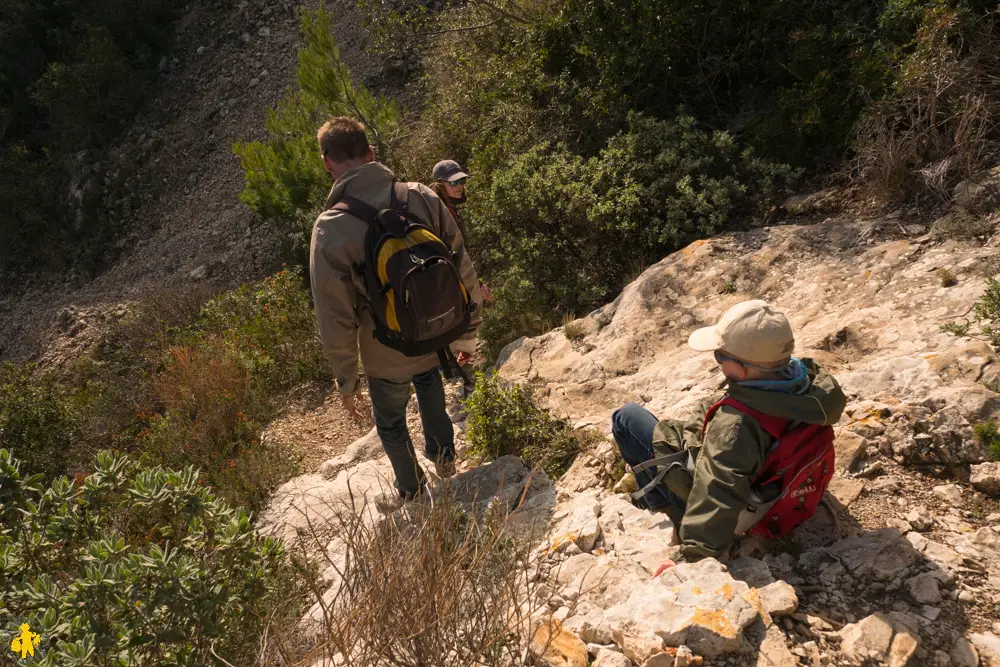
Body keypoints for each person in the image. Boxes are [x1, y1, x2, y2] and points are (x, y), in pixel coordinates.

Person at [310, 117, 484, 511]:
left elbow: (334, 315)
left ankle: (412, 490)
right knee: (430, 389)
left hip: (383, 347)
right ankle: (445, 460)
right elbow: (461, 265)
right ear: (371, 154)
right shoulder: (420, 195)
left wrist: (346, 380)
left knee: (389, 422)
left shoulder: (331, 228)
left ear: (326, 163)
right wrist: (467, 334)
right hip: (434, 331)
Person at [611, 300, 846, 567]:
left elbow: (718, 490)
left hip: (740, 508)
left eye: (720, 356)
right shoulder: (808, 386)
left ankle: (665, 508)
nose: (718, 362)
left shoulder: (735, 426)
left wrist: (693, 556)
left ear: (744, 367)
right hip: (773, 482)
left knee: (626, 418)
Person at [430, 159, 491, 398]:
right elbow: (454, 255)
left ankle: (465, 381)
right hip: (449, 284)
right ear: (440, 184)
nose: (460, 186)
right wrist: (475, 284)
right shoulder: (442, 213)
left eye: (462, 181)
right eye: (454, 182)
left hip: (449, 282)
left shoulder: (445, 209)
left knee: (460, 329)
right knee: (463, 327)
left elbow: (462, 254)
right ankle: (469, 386)